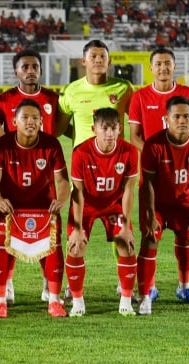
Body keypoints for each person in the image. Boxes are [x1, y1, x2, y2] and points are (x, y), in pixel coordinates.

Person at [128, 48, 189, 304]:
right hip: (153, 179)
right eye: (158, 64)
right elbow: (134, 137)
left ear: (175, 66)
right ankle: (149, 287)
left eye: (168, 63)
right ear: (151, 67)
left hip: (183, 181)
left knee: (186, 237)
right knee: (151, 235)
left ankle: (184, 285)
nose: (163, 68)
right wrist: (157, 158)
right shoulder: (139, 97)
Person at [0, 99, 70, 318]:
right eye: (25, 117)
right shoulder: (2, 145)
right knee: (0, 244)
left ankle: (54, 300)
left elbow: (62, 181)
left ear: (42, 122)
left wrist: (60, 200)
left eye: (35, 118)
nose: (30, 122)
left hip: (43, 209)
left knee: (53, 246)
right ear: (14, 121)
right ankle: (0, 301)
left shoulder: (51, 144)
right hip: (10, 209)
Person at [0, 49, 61, 304]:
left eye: (35, 66)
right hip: (13, 174)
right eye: (25, 66)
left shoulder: (53, 98)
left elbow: (61, 127)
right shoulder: (3, 100)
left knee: (47, 232)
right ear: (16, 71)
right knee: (8, 232)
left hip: (45, 174)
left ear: (41, 70)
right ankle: (6, 285)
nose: (30, 70)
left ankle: (48, 284)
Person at [137, 96, 189, 315]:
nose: (182, 120)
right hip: (157, 203)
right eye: (176, 116)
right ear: (166, 119)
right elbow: (148, 184)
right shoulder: (153, 145)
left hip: (185, 203)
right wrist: (151, 215)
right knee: (150, 239)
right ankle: (145, 298)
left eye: (186, 116)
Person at [65, 108, 139, 317]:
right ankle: (78, 301)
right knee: (76, 246)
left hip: (114, 205)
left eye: (113, 128)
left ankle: (126, 300)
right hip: (86, 205)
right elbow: (78, 193)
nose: (108, 133)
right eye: (104, 128)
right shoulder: (80, 152)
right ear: (94, 129)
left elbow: (128, 190)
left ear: (119, 129)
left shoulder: (129, 152)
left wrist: (125, 224)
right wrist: (78, 229)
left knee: (126, 243)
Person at [57, 39, 134, 148]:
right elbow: (60, 128)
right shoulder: (70, 90)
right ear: (83, 61)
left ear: (109, 61)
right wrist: (82, 137)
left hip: (116, 159)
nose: (98, 60)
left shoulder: (124, 87)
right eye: (93, 56)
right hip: (83, 159)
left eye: (103, 56)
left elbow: (139, 122)